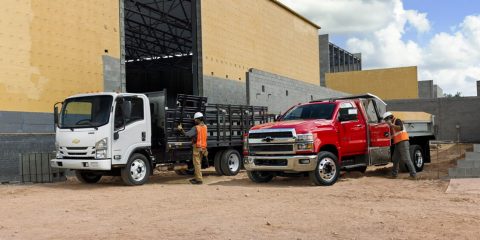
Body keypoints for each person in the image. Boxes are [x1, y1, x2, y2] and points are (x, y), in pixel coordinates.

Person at [383, 112, 417, 179]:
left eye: (386, 120)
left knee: (406, 159)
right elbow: (395, 134)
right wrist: (389, 136)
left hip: (403, 141)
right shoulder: (392, 125)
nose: (386, 122)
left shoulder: (397, 120)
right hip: (398, 143)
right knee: (395, 159)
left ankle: (413, 175)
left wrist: (391, 125)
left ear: (389, 118)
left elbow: (400, 128)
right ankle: (394, 175)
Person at [177, 112, 208, 185]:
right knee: (198, 163)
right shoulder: (205, 127)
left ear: (198, 119)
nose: (194, 121)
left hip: (197, 148)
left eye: (195, 119)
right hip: (203, 148)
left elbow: (187, 135)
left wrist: (181, 129)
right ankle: (197, 177)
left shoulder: (196, 128)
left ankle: (199, 180)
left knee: (196, 164)